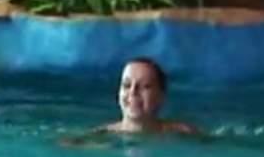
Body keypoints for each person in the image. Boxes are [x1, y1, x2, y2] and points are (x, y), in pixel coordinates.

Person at [61, 58, 201, 145]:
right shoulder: (103, 135)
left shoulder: (182, 133)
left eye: (145, 86)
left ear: (161, 97)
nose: (133, 92)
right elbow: (65, 143)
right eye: (127, 85)